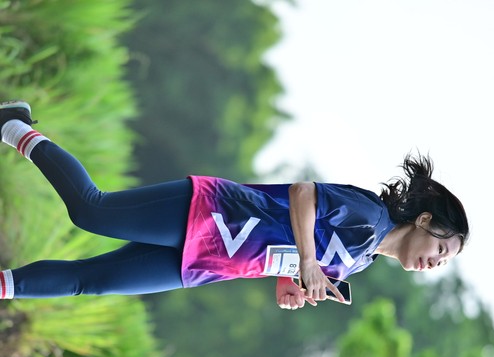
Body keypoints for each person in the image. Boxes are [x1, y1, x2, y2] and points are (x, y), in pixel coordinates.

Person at [0, 101, 469, 308]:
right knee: (92, 210)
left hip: (209, 263)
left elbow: (291, 246)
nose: (436, 262)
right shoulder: (370, 218)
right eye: (442, 248)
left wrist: (289, 283)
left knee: (90, 282)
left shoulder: (361, 261)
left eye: (443, 262)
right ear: (425, 220)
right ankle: (14, 124)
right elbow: (303, 193)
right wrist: (308, 263)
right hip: (211, 214)